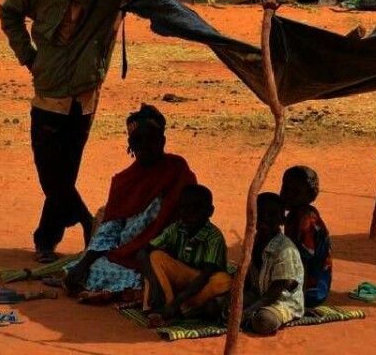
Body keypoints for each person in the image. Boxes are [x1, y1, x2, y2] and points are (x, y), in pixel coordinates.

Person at [0, 0, 157, 263]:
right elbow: (8, 11)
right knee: (50, 173)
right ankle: (87, 221)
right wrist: (28, 56)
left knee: (65, 173)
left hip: (85, 96)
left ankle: (46, 240)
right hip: (49, 92)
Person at [62, 104, 198, 303]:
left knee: (162, 274)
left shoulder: (177, 171)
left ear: (162, 141)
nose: (145, 146)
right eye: (138, 141)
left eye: (151, 139)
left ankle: (138, 289)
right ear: (130, 146)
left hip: (165, 254)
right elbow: (111, 229)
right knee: (85, 270)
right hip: (126, 255)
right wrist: (84, 263)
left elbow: (191, 217)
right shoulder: (123, 182)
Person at [136, 184, 231, 327]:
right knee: (156, 256)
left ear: (210, 212)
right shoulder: (175, 229)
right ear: (179, 209)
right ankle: (174, 308)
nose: (190, 213)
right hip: (181, 282)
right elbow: (142, 252)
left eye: (197, 208)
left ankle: (173, 309)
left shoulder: (214, 237)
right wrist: (154, 281)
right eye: (185, 208)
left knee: (223, 280)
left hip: (201, 284)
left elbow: (204, 277)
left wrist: (176, 302)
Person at [235, 192, 304, 335]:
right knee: (218, 306)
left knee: (264, 320)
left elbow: (275, 292)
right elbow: (247, 279)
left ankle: (251, 317)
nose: (264, 219)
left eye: (272, 215)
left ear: (282, 220)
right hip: (259, 294)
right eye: (260, 213)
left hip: (282, 301)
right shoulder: (251, 242)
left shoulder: (285, 250)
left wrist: (247, 311)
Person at [280, 166, 332, 308]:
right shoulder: (294, 215)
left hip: (311, 291)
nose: (288, 195)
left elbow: (303, 262)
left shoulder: (306, 220)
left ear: (310, 195)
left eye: (295, 192)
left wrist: (299, 300)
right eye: (285, 188)